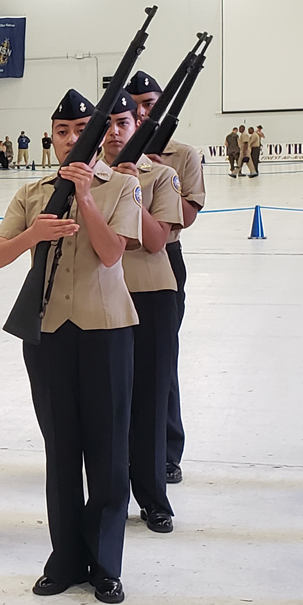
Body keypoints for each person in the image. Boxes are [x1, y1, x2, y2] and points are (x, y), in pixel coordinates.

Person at [0, 88, 141, 604]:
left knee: (109, 455)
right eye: (62, 132)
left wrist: (87, 198)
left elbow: (112, 253)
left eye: (81, 131)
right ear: (51, 138)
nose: (72, 139)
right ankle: (66, 560)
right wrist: (34, 234)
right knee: (61, 451)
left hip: (106, 332)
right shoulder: (32, 193)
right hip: (49, 334)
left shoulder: (122, 187)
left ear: (97, 138)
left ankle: (107, 564)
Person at [103, 90, 183, 534]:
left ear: (138, 126)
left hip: (151, 294)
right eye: (108, 125)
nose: (115, 133)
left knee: (151, 399)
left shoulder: (162, 176)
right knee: (108, 404)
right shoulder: (87, 177)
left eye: (124, 124)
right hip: (102, 296)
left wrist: (132, 190)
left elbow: (156, 241)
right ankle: (110, 497)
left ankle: (153, 498)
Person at [128, 71, 205, 485]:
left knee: (161, 362)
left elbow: (186, 217)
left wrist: (159, 180)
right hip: (116, 259)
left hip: (163, 259)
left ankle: (166, 451)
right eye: (135, 105)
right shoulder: (114, 149)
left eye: (150, 104)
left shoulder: (182, 155)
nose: (142, 112)